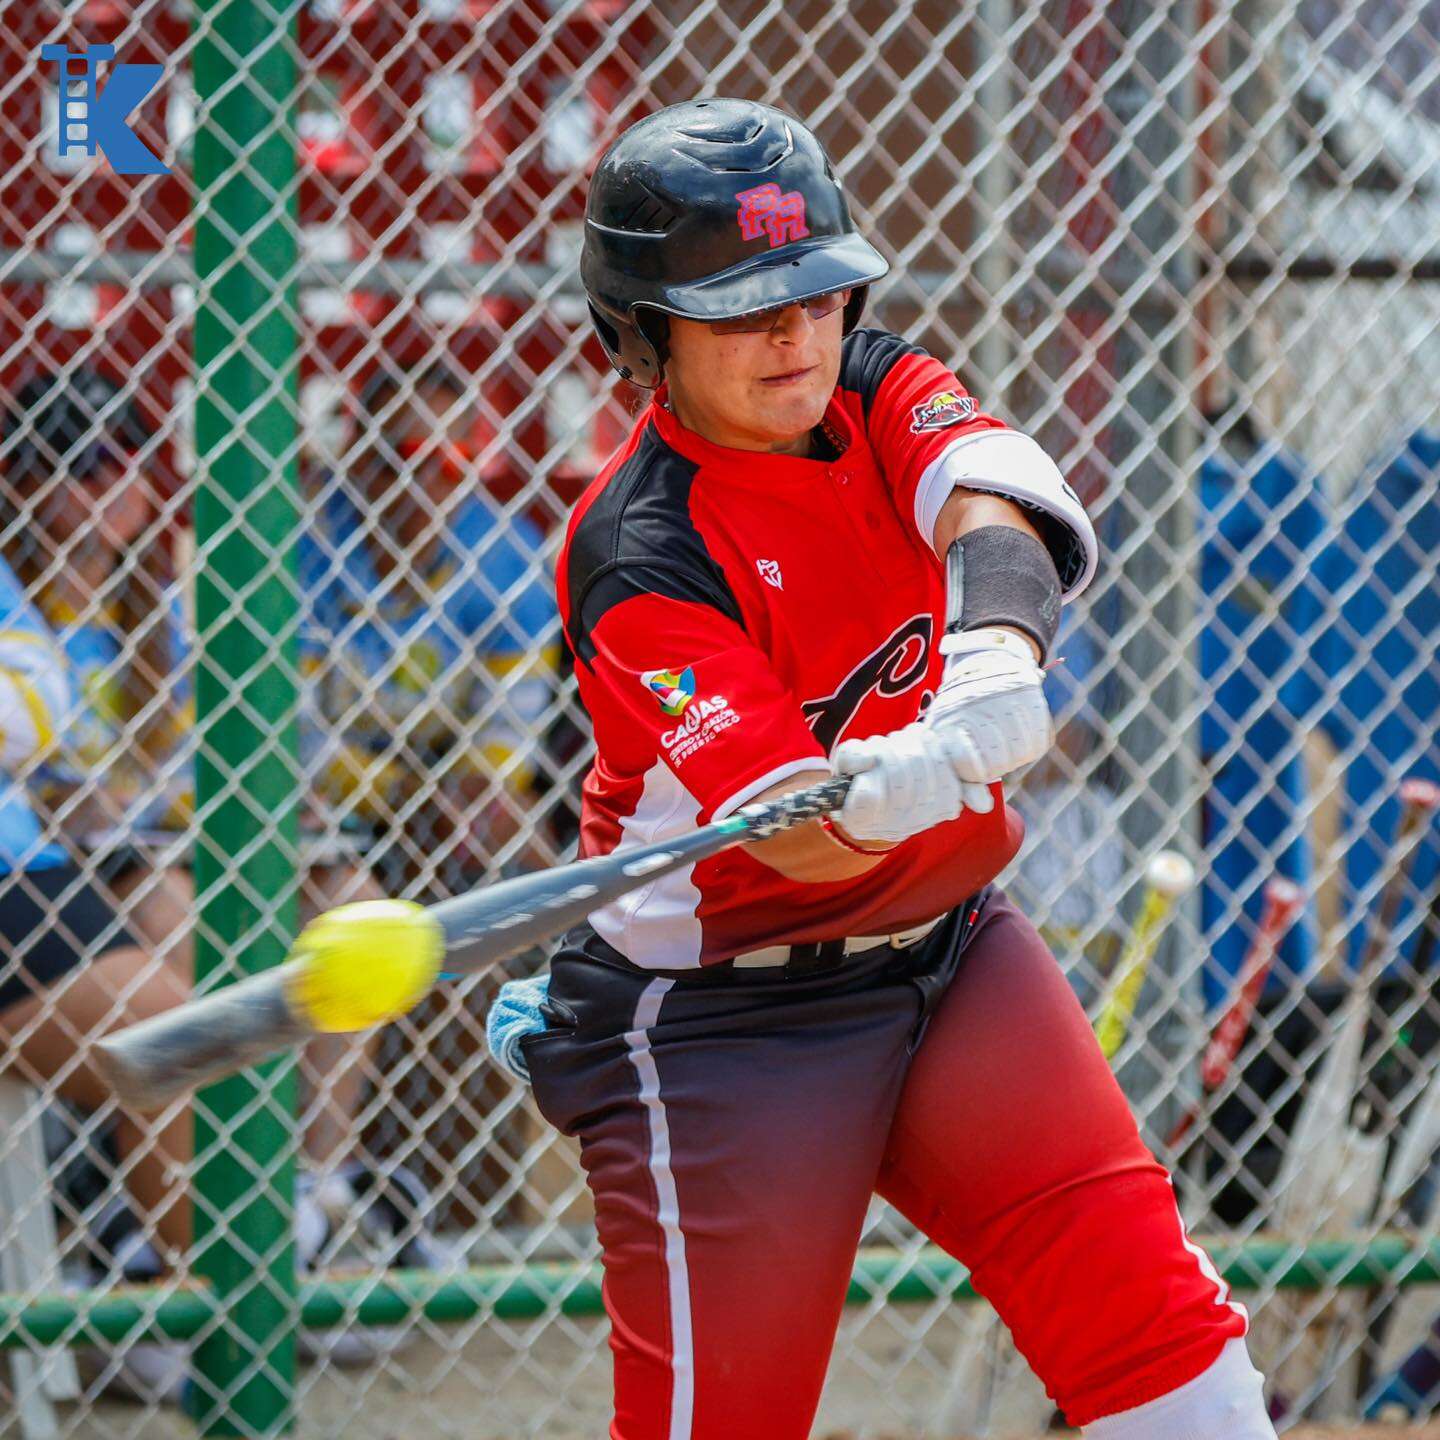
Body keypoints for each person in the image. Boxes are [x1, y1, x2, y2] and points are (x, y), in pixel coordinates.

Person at [301, 100, 1279, 1437]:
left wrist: (994, 653)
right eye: (742, 310)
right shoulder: (638, 552)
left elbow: (996, 491)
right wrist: (898, 783)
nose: (795, 335)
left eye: (817, 295)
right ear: (638, 340)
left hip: (953, 958)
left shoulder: (879, 387)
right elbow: (798, 841)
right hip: (719, 1018)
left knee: (1154, 1320)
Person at [298, 357, 561, 894]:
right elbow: (294, 734)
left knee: (514, 826)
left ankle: (536, 968)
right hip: (329, 790)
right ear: (358, 459)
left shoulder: (506, 558)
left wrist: (463, 788)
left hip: (444, 776)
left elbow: (509, 733)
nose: (420, 482)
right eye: (400, 457)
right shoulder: (306, 551)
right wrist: (399, 794)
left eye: (450, 460)